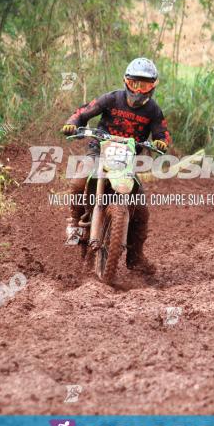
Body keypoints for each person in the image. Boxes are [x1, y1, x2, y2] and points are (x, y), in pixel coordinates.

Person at [60, 57, 170, 274]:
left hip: (126, 161)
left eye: (145, 85)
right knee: (78, 181)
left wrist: (161, 142)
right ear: (126, 82)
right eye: (134, 84)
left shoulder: (153, 111)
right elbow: (85, 111)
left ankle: (135, 256)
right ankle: (74, 222)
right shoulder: (111, 99)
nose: (138, 90)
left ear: (153, 86)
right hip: (98, 151)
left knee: (141, 211)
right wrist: (73, 124)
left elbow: (162, 133)